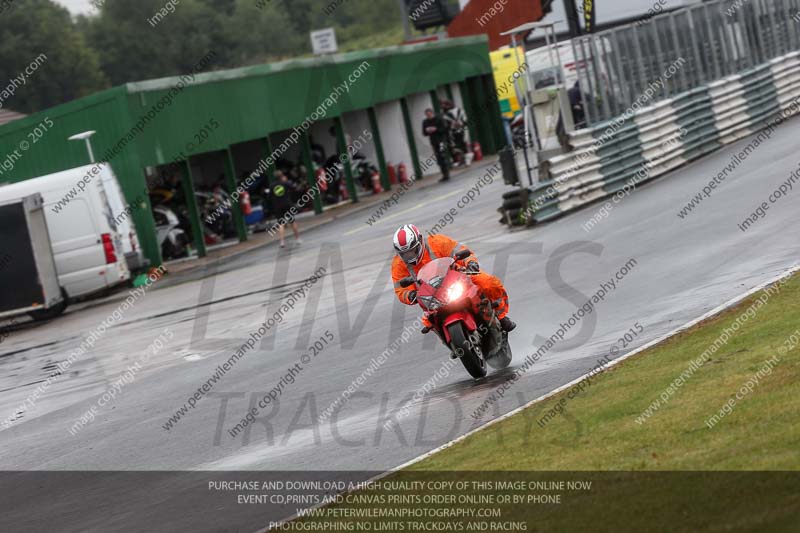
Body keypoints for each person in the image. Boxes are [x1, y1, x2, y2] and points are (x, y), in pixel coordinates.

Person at [391, 224, 516, 333]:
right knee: (429, 321)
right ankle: (450, 340)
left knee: (488, 282)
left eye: (412, 251)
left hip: (457, 279)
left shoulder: (438, 242)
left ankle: (501, 316)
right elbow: (400, 289)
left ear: (420, 241)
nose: (409, 256)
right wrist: (410, 295)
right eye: (405, 254)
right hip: (430, 295)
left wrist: (470, 263)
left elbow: (462, 251)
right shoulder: (398, 264)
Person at [266, 170, 302, 248]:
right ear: (282, 176)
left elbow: (268, 197)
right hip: (287, 204)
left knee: (281, 224)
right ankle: (298, 239)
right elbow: (295, 188)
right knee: (292, 222)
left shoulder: (272, 186)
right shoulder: (285, 183)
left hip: (278, 206)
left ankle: (282, 242)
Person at [422, 108, 450, 182]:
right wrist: (428, 130)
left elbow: (445, 129)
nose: (428, 116)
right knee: (439, 157)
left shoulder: (439, 119)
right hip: (434, 142)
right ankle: (444, 174)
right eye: (427, 115)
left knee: (442, 155)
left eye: (429, 114)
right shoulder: (425, 122)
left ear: (432, 113)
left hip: (441, 140)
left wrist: (436, 129)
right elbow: (424, 133)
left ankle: (446, 173)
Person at [442, 99, 468, 166]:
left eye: (445, 105)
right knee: (454, 146)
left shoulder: (460, 111)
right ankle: (459, 160)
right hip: (452, 133)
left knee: (462, 144)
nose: (444, 107)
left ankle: (465, 160)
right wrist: (450, 126)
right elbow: (445, 125)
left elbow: (465, 120)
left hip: (461, 131)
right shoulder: (445, 114)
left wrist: (460, 124)